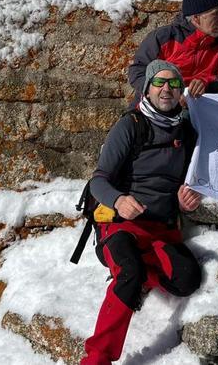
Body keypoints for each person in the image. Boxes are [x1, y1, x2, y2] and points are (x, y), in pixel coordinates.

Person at [82, 60, 204, 365]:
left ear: (180, 92)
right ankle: (97, 358)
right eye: (159, 83)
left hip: (161, 228)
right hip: (121, 225)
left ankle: (140, 272)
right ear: (147, 88)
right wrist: (118, 200)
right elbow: (99, 180)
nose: (166, 89)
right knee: (129, 274)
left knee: (187, 279)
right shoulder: (132, 125)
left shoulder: (187, 131)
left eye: (174, 84)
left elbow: (191, 178)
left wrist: (185, 197)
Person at [127, 0, 218, 103]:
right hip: (155, 108)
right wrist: (165, 93)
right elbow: (137, 71)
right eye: (216, 14)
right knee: (127, 123)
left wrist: (206, 84)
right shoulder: (164, 38)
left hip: (199, 108)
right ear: (196, 18)